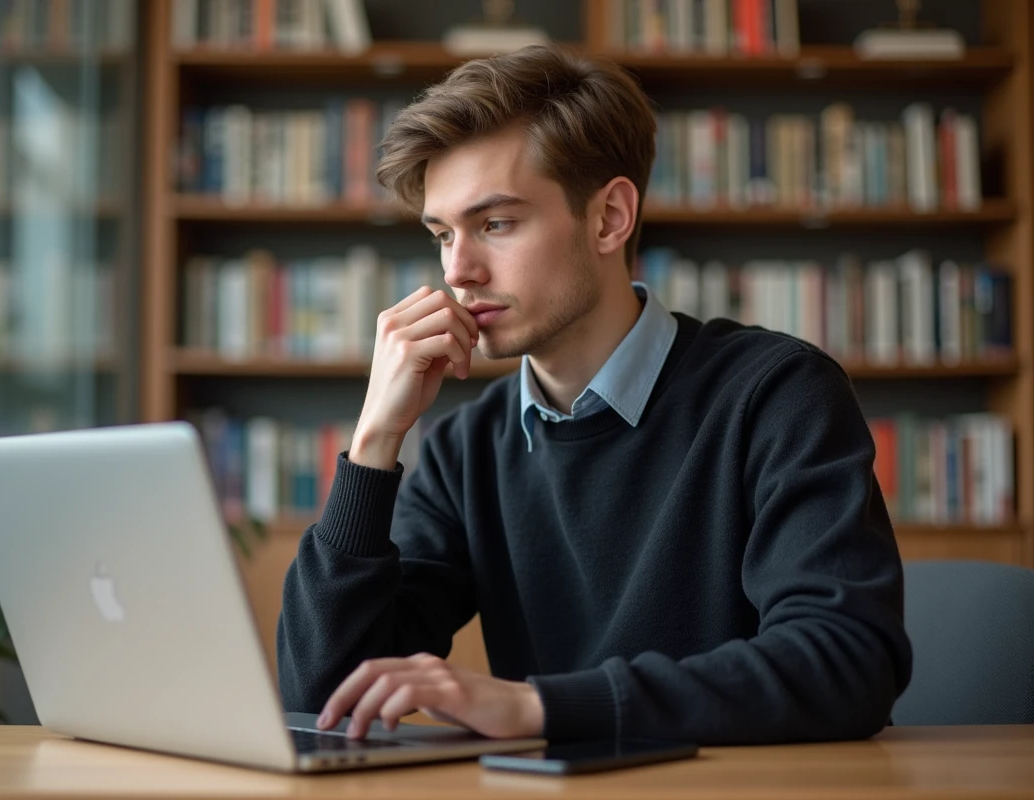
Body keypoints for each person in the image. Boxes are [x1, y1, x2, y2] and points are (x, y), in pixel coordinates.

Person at [276, 45, 912, 745]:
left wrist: (540, 708)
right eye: (442, 234)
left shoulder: (777, 394)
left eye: (495, 224)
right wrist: (374, 441)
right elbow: (323, 701)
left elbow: (847, 662)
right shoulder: (465, 449)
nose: (458, 271)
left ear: (610, 217)